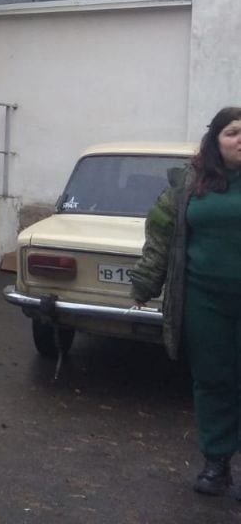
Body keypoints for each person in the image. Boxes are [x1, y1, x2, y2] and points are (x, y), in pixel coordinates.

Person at [131, 106, 241, 496]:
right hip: (204, 300)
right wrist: (144, 285)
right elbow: (160, 235)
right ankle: (216, 463)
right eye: (233, 132)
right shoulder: (189, 183)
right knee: (213, 379)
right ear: (215, 140)